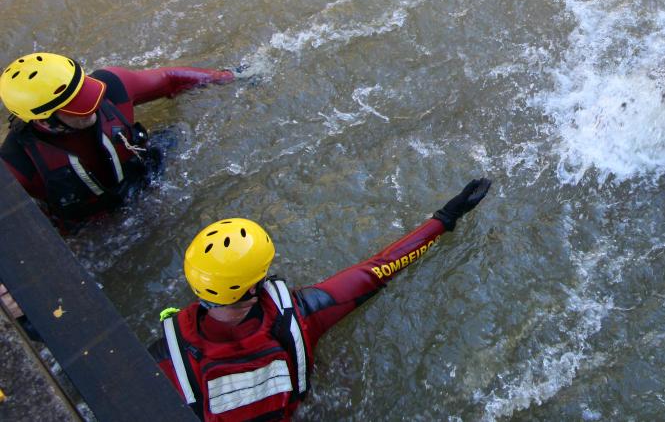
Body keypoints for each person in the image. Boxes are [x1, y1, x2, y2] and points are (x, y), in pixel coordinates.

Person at [149, 178, 491, 421]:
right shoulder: (299, 316)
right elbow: (377, 271)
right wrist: (445, 219)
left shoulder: (167, 358)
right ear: (252, 290)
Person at [0, 52, 234, 232]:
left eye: (84, 89)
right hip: (94, 229)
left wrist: (224, 77)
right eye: (77, 105)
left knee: (179, 134)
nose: (93, 105)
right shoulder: (15, 165)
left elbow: (168, 79)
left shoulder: (112, 86)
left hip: (142, 177)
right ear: (45, 121)